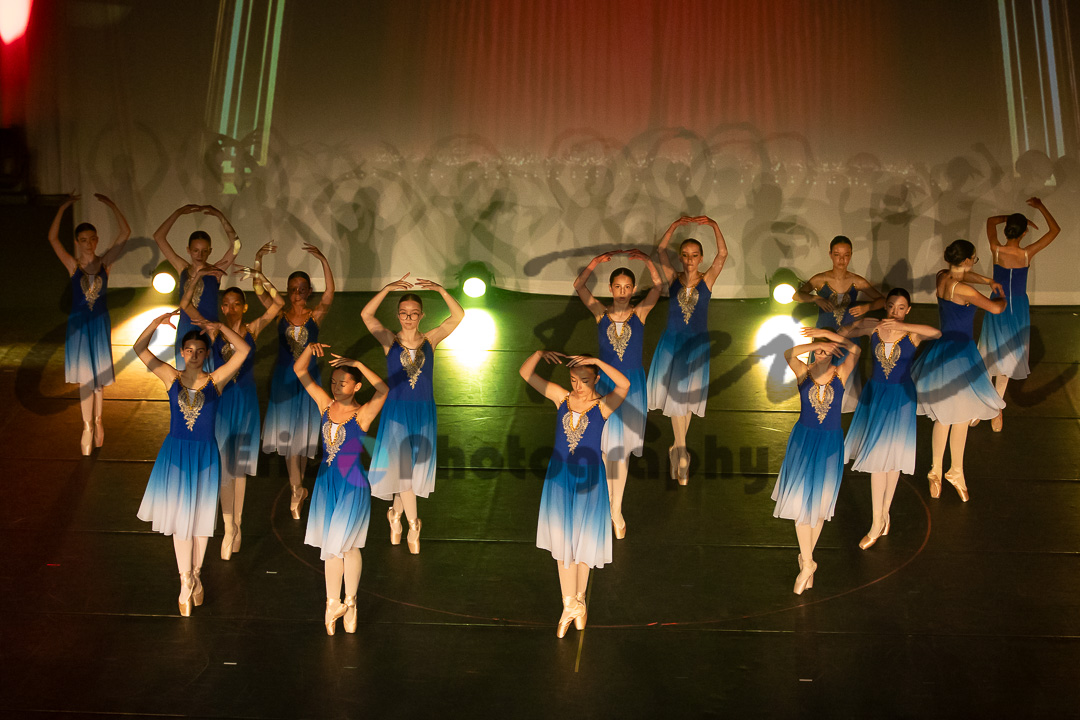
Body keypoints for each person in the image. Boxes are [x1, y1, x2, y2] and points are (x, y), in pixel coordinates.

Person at [134, 312, 251, 616]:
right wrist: (155, 324)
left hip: (205, 456)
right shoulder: (170, 376)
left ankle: (195, 575)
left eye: (200, 351)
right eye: (189, 350)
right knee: (181, 519)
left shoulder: (216, 380)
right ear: (182, 352)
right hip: (176, 454)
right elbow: (139, 348)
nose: (195, 355)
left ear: (207, 354)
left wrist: (220, 327)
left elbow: (244, 351)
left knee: (200, 519)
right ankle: (185, 579)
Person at [180, 247, 284, 560]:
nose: (230, 308)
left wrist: (259, 273)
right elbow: (185, 305)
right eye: (225, 304)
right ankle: (228, 526)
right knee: (225, 467)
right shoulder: (211, 330)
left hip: (247, 403)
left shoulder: (252, 329)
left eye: (236, 303)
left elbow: (278, 304)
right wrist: (196, 276)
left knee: (239, 468)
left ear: (244, 306)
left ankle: (236, 524)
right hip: (222, 403)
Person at [519, 350, 629, 637]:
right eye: (573, 380)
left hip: (589, 481)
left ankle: (578, 601)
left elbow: (625, 385)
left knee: (582, 542)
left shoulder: (603, 406)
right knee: (563, 541)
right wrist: (539, 353)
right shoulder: (561, 398)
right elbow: (526, 373)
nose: (578, 386)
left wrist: (599, 362)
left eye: (585, 380)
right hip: (560, 478)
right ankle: (571, 603)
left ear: (596, 378)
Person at [361, 274, 464, 554]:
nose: (408, 318)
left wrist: (441, 290)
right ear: (397, 315)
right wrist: (386, 289)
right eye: (404, 313)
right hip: (397, 413)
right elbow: (366, 315)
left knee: (407, 470)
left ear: (421, 315)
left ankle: (394, 514)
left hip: (424, 412)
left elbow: (458, 316)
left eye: (414, 313)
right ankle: (413, 524)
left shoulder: (431, 339)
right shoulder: (389, 340)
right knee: (404, 473)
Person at [293, 342, 388, 635]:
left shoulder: (363, 414)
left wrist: (358, 364)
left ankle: (351, 601)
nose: (336, 387)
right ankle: (333, 603)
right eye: (333, 382)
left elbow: (383, 390)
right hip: (325, 483)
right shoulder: (325, 405)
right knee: (332, 547)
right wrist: (309, 349)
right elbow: (300, 370)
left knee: (345, 545)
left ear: (356, 386)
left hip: (351, 485)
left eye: (343, 383)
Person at [839, 289, 941, 548]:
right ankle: (877, 521)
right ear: (885, 306)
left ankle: (884, 514)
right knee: (877, 459)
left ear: (908, 310)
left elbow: (936, 333)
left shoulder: (912, 333)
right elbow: (845, 332)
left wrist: (903, 325)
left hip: (901, 398)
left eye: (901, 307)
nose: (895, 311)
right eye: (892, 306)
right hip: (876, 395)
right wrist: (859, 321)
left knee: (893, 458)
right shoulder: (875, 329)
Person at [573, 249, 662, 538]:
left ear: (633, 290)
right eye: (618, 287)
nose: (622, 292)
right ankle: (605, 504)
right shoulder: (600, 314)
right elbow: (579, 286)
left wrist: (648, 261)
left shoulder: (640, 313)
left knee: (620, 452)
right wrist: (594, 263)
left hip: (631, 388)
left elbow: (659, 286)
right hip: (605, 387)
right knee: (603, 448)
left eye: (627, 287)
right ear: (610, 288)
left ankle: (616, 509)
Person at [910, 240, 1007, 502]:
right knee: (960, 416)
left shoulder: (942, 276)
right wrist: (1005, 295)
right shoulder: (964, 290)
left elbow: (964, 275)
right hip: (961, 355)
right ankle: (954, 471)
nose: (973, 263)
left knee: (946, 416)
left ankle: (938, 471)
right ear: (966, 260)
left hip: (943, 350)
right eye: (974, 259)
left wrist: (987, 280)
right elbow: (996, 308)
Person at [771, 328, 861, 594]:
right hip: (803, 440)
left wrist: (831, 338)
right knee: (800, 502)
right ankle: (808, 562)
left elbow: (856, 350)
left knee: (819, 504)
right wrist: (815, 344)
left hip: (830, 443)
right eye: (817, 349)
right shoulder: (804, 372)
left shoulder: (841, 373)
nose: (822, 353)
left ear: (835, 352)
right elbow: (788, 353)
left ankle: (807, 561)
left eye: (827, 350)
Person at [646, 216, 729, 484]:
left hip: (695, 345)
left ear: (701, 258)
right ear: (681, 257)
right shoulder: (673, 278)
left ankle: (678, 449)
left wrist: (714, 225)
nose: (690, 259)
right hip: (672, 343)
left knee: (687, 399)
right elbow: (661, 250)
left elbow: (723, 254)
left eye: (694, 255)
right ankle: (681, 452)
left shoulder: (708, 280)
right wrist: (674, 226)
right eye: (685, 255)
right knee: (677, 398)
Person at [47, 192, 131, 455]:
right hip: (79, 326)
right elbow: (52, 239)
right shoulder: (73, 265)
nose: (88, 244)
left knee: (98, 378)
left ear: (97, 240)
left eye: (92, 239)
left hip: (99, 324)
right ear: (77, 242)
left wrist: (112, 205)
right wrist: (62, 208)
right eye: (83, 240)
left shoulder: (105, 263)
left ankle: (98, 420)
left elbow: (125, 232)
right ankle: (86, 426)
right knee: (86, 378)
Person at [260, 243, 335, 520]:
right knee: (290, 439)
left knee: (302, 438)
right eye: (293, 289)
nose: (298, 293)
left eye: (303, 289)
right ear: (288, 291)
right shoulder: (279, 315)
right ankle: (296, 489)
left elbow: (330, 293)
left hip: (308, 381)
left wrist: (324, 260)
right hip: (283, 381)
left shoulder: (315, 316)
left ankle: (299, 488)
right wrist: (257, 263)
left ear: (309, 291)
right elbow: (260, 291)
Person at [977, 198, 1061, 431]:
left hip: (1001, 305)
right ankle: (987, 405)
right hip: (1010, 307)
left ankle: (995, 408)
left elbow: (990, 221)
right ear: (1024, 233)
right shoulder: (1026, 253)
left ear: (1007, 229)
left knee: (996, 355)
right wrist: (1040, 207)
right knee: (998, 356)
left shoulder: (996, 248)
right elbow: (1055, 230)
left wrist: (1013, 219)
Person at [792, 235, 885, 412]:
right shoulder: (820, 279)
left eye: (846, 255)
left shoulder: (857, 281)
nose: (841, 260)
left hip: (848, 333)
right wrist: (816, 298)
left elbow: (882, 300)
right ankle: (818, 403)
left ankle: (841, 406)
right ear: (830, 255)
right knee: (821, 367)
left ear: (851, 255)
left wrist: (867, 307)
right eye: (837, 255)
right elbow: (797, 295)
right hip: (824, 331)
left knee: (845, 370)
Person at [151, 204, 240, 368]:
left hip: (208, 329)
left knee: (209, 376)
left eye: (204, 251)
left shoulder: (216, 271)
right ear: (189, 250)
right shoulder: (182, 269)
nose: (200, 255)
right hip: (186, 329)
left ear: (210, 251)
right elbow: (159, 237)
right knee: (185, 375)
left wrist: (220, 216)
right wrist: (178, 212)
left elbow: (236, 245)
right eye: (196, 250)